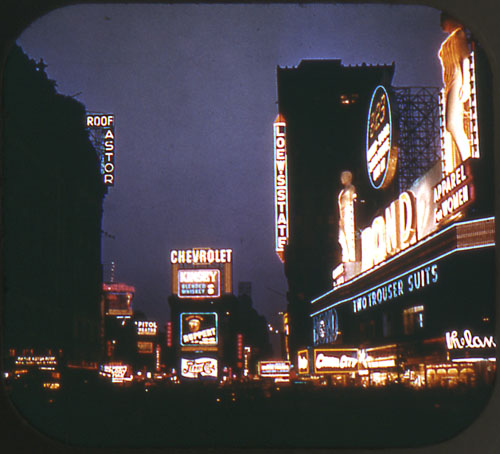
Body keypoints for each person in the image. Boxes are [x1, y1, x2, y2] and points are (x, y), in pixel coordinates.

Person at [439, 12, 472, 172]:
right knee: (450, 124)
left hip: (457, 77)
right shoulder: (448, 42)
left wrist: (466, 83)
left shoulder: (459, 34)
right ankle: (465, 161)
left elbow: (465, 58)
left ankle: (468, 160)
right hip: (449, 82)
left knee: (452, 123)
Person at [338, 170, 357, 262]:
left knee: (349, 236)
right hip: (343, 216)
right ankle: (346, 255)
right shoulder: (342, 192)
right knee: (342, 237)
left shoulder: (351, 188)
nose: (341, 179)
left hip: (349, 215)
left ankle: (350, 256)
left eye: (343, 176)